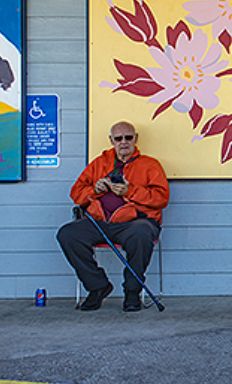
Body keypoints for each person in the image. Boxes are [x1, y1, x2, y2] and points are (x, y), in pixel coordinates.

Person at [57, 121, 169, 311]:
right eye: (118, 138)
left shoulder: (150, 164)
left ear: (136, 139)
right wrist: (95, 190)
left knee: (142, 233)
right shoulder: (99, 163)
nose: (123, 142)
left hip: (134, 223)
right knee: (68, 234)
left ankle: (133, 293)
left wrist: (129, 190)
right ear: (111, 140)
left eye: (128, 137)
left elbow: (161, 198)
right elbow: (76, 194)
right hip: (100, 223)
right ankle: (97, 286)